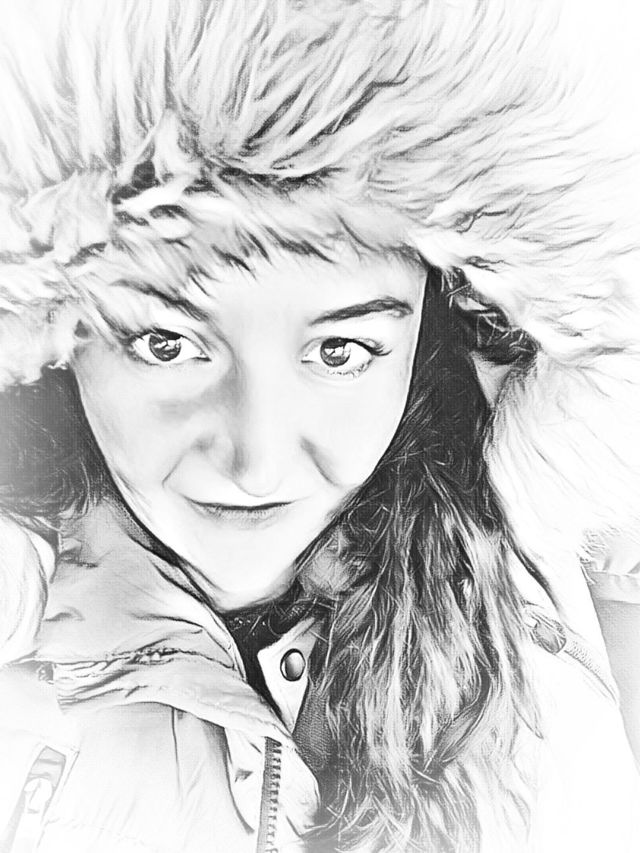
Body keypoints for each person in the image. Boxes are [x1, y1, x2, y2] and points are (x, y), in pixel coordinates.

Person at [0, 1, 638, 851]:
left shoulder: (570, 548)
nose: (257, 462)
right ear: (56, 331)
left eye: (341, 350)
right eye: (166, 342)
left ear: (437, 327)